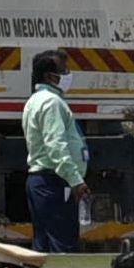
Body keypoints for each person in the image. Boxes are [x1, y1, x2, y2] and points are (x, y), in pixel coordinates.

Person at [18, 53, 91, 251]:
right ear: (50, 76)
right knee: (63, 245)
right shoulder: (52, 102)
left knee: (43, 246)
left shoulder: (35, 100)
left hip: (43, 180)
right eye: (63, 71)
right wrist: (75, 180)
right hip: (54, 181)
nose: (68, 75)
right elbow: (56, 145)